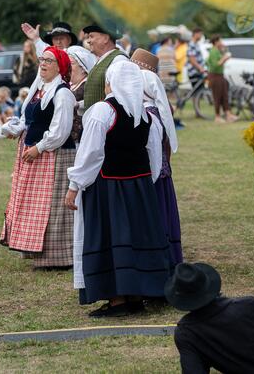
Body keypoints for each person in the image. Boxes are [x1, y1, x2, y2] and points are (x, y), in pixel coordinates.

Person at [65, 60, 172, 317]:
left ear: (112, 82)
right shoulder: (146, 115)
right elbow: (155, 157)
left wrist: (74, 186)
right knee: (136, 237)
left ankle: (117, 300)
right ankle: (135, 295)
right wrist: (145, 183)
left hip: (108, 188)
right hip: (139, 188)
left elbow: (90, 154)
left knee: (112, 237)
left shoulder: (103, 111)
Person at [0, 47, 76, 268]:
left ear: (59, 66)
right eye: (42, 59)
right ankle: (31, 249)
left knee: (50, 206)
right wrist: (17, 130)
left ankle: (57, 257)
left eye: (49, 61)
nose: (43, 63)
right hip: (33, 153)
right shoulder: (40, 89)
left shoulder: (62, 93)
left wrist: (40, 147)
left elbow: (60, 131)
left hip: (54, 156)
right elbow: (29, 118)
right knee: (32, 203)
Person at [130, 48, 182, 267]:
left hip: (153, 177)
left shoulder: (149, 112)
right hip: (159, 175)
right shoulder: (155, 109)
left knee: (156, 219)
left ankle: (159, 262)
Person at [82, 23, 130, 109]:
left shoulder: (119, 61)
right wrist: (79, 105)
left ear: (106, 38)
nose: (88, 41)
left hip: (108, 120)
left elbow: (120, 98)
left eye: (91, 36)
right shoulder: (101, 60)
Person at [66, 45, 97, 144]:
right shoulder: (69, 84)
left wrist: (78, 104)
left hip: (82, 136)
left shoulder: (88, 84)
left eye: (71, 64)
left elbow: (94, 102)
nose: (68, 67)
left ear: (83, 67)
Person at [206, 35, 238, 123]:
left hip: (220, 76)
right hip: (215, 76)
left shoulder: (217, 51)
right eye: (220, 41)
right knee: (217, 97)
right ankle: (217, 116)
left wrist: (223, 52)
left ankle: (228, 114)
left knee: (224, 96)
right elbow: (216, 65)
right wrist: (225, 58)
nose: (222, 42)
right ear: (216, 42)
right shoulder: (213, 51)